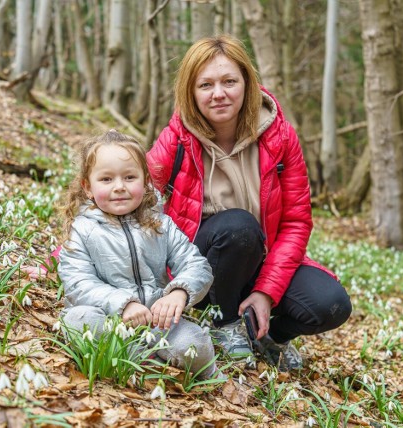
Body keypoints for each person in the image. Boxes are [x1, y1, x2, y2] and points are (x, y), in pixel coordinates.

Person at [146, 35, 352, 371]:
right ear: (191, 91)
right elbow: (130, 194)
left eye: (229, 81)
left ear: (248, 83)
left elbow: (297, 222)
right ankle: (224, 324)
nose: (219, 93)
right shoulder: (178, 137)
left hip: (259, 256)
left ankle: (267, 336)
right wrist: (67, 256)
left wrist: (267, 292)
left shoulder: (281, 137)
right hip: (201, 262)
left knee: (330, 304)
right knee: (239, 226)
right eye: (206, 84)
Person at [57, 129, 219, 379]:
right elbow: (78, 283)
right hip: (107, 318)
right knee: (79, 321)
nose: (119, 187)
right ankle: (138, 361)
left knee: (194, 345)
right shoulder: (82, 229)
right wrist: (123, 304)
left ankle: (139, 360)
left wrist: (179, 292)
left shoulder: (161, 225)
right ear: (88, 187)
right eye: (107, 179)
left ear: (145, 183)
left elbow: (196, 265)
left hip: (157, 323)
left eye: (129, 177)